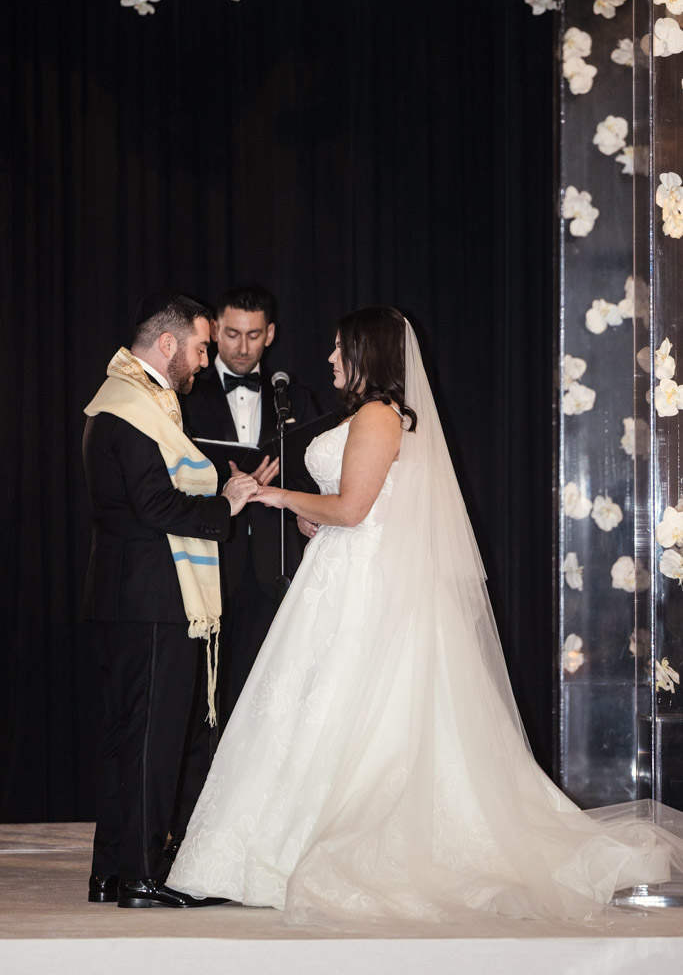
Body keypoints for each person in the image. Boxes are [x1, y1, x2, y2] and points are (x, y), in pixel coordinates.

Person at [167, 306, 683, 925]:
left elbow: (356, 509)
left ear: (366, 355)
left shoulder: (381, 416)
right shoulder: (370, 417)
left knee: (346, 714)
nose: (330, 359)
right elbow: (359, 508)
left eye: (339, 349)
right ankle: (267, 850)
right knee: (310, 711)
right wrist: (312, 518)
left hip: (363, 586)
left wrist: (269, 493)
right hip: (339, 577)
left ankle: (300, 851)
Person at [82, 293, 274, 909]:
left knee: (124, 738)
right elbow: (157, 507)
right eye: (198, 348)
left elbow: (158, 493)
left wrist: (228, 488)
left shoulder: (128, 403)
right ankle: (140, 876)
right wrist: (227, 506)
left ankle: (111, 871)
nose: (203, 360)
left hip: (128, 593)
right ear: (167, 345)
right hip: (151, 596)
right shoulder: (133, 408)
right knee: (150, 740)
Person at [181, 286, 319, 731]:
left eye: (254, 335)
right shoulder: (187, 395)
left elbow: (316, 477)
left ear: (271, 333)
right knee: (208, 692)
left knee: (273, 690)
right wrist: (233, 486)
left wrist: (276, 486)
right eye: (233, 334)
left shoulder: (294, 399)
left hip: (275, 560)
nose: (242, 347)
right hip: (212, 559)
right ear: (216, 330)